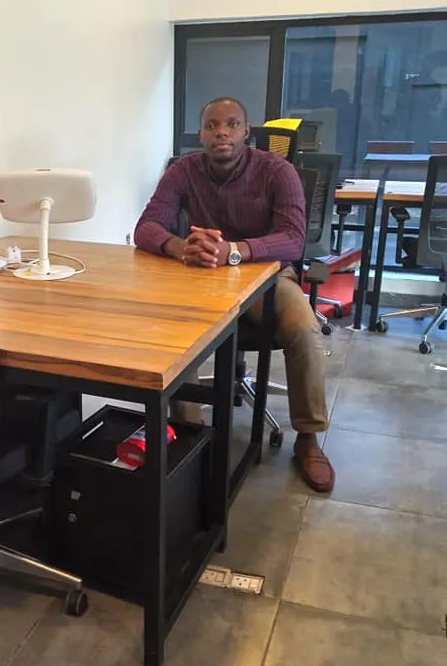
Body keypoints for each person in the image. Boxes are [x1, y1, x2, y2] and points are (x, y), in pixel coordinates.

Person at [133, 96, 334, 494]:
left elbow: (293, 240)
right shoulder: (183, 170)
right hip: (201, 277)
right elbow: (146, 228)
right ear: (201, 133)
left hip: (265, 276)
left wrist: (236, 251)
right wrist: (181, 247)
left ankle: (308, 439)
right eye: (211, 126)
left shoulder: (279, 171)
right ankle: (190, 435)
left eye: (230, 124)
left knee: (303, 328)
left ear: (246, 131)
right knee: (172, 338)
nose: (220, 132)